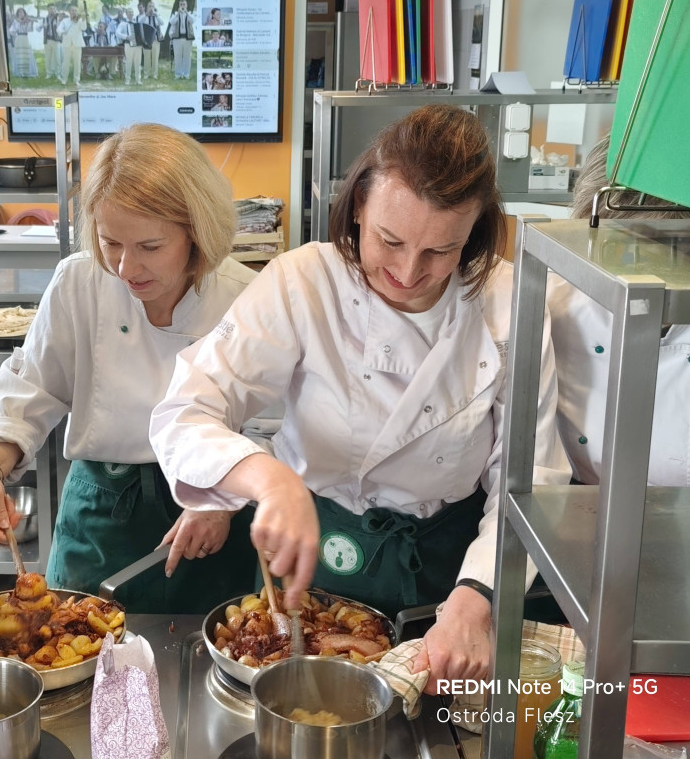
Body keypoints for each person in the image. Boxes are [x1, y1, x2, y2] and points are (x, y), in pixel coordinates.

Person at [149, 105, 571, 690]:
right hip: (309, 564)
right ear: (357, 209)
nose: (406, 271)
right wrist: (270, 483)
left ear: (473, 234)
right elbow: (186, 410)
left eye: (440, 252)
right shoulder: (304, 282)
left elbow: (530, 481)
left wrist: (478, 599)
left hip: (449, 579)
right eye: (389, 240)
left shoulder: (510, 302)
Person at [0, 123, 261, 614]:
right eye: (111, 243)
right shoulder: (79, 282)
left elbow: (269, 425)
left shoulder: (243, 298)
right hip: (101, 512)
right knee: (75, 649)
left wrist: (219, 499)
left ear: (197, 232)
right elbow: (31, 388)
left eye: (150, 246)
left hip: (209, 516)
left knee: (214, 655)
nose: (126, 268)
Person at [549, 135, 690, 486]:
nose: (650, 272)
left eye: (675, 251)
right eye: (625, 249)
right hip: (572, 506)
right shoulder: (551, 307)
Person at [58, 6, 85, 87]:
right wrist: (63, 31)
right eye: (72, 11)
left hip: (77, 44)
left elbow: (84, 28)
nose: (74, 12)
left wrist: (84, 20)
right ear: (69, 12)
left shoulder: (80, 20)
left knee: (77, 63)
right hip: (67, 44)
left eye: (75, 11)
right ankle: (64, 79)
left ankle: (76, 80)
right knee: (65, 63)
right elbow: (58, 29)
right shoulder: (65, 21)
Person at [168, 0, 195, 79]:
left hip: (187, 39)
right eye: (181, 4)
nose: (182, 6)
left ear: (186, 5)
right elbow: (171, 22)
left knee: (187, 57)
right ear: (179, 6)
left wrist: (186, 13)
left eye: (184, 4)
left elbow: (193, 21)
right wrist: (178, 14)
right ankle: (178, 74)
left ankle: (186, 74)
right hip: (177, 38)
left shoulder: (189, 14)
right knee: (177, 56)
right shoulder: (175, 14)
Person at [8, 8, 37, 78]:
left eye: (22, 13)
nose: (21, 14)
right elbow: (11, 31)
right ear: (17, 14)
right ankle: (20, 72)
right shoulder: (15, 21)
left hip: (25, 38)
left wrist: (31, 22)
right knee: (19, 55)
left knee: (26, 55)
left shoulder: (27, 20)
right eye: (20, 13)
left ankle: (27, 72)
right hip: (19, 38)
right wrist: (20, 24)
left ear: (24, 13)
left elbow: (30, 30)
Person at [116, 8, 142, 85]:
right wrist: (126, 37)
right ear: (126, 14)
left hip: (138, 46)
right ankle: (127, 79)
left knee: (138, 63)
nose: (131, 13)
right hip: (128, 45)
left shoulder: (137, 23)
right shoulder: (123, 23)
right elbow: (117, 33)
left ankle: (138, 80)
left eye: (132, 12)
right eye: (129, 12)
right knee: (128, 62)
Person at [139, 2, 165, 79]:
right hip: (146, 41)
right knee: (147, 57)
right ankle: (146, 74)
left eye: (152, 6)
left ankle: (154, 74)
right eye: (149, 6)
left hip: (155, 40)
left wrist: (156, 14)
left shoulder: (157, 16)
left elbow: (162, 23)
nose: (151, 8)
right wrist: (146, 14)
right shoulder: (144, 17)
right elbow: (140, 22)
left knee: (155, 58)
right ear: (147, 8)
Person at [43, 5, 62, 80]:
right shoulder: (45, 18)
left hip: (55, 40)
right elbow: (39, 28)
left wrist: (59, 19)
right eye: (50, 9)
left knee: (57, 58)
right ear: (48, 10)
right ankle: (48, 73)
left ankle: (58, 74)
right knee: (48, 57)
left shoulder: (58, 18)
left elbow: (61, 29)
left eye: (54, 9)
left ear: (56, 10)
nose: (52, 10)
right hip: (47, 40)